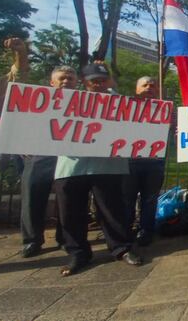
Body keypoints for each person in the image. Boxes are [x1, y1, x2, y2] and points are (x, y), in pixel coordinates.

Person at [52, 62, 142, 275]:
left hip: (107, 165)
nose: (99, 85)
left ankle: (121, 248)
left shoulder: (117, 101)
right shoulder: (65, 101)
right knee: (71, 212)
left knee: (112, 210)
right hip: (71, 165)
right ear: (85, 82)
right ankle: (78, 253)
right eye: (94, 81)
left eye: (103, 80)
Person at [20, 66, 76, 258]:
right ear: (52, 82)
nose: (66, 81)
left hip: (69, 157)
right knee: (32, 198)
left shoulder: (84, 103)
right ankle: (32, 240)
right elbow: (20, 121)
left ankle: (64, 238)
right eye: (62, 78)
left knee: (67, 200)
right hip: (39, 155)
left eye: (70, 78)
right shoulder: (36, 99)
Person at [122, 76, 166, 246]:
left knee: (150, 199)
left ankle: (146, 231)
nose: (149, 88)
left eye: (153, 86)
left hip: (154, 162)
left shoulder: (165, 109)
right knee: (127, 198)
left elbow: (177, 130)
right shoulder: (125, 107)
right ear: (136, 89)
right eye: (145, 85)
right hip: (130, 161)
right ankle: (126, 231)